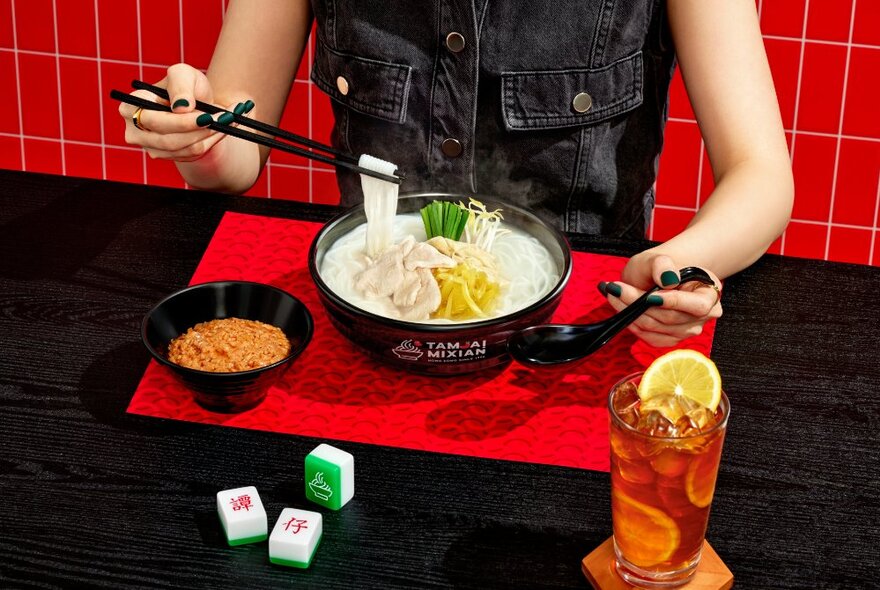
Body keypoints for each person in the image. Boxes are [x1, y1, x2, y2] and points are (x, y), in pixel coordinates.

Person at [119, 0, 793, 347]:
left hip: (573, 331)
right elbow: (233, 156)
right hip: (371, 313)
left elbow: (761, 173)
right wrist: (195, 136)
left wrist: (678, 265)